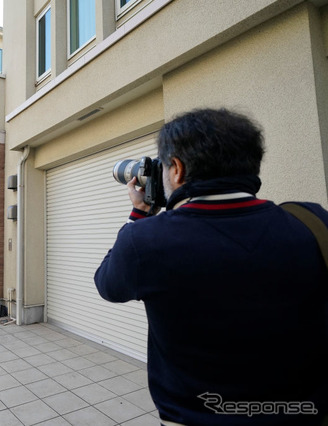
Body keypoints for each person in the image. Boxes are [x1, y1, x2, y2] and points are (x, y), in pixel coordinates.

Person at [94, 108, 328, 425]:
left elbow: (108, 285)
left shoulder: (146, 240)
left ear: (176, 169)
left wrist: (139, 214)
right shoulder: (312, 222)